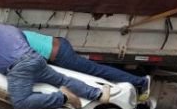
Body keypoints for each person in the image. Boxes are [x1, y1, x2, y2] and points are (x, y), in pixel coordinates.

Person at [0, 21, 107, 109]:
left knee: (20, 102)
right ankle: (98, 94)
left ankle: (64, 98)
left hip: (19, 67)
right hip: (35, 59)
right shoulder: (12, 29)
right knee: (62, 80)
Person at [8, 23, 150, 100]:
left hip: (60, 55)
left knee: (97, 71)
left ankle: (141, 81)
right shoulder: (11, 33)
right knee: (96, 71)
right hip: (59, 45)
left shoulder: (10, 42)